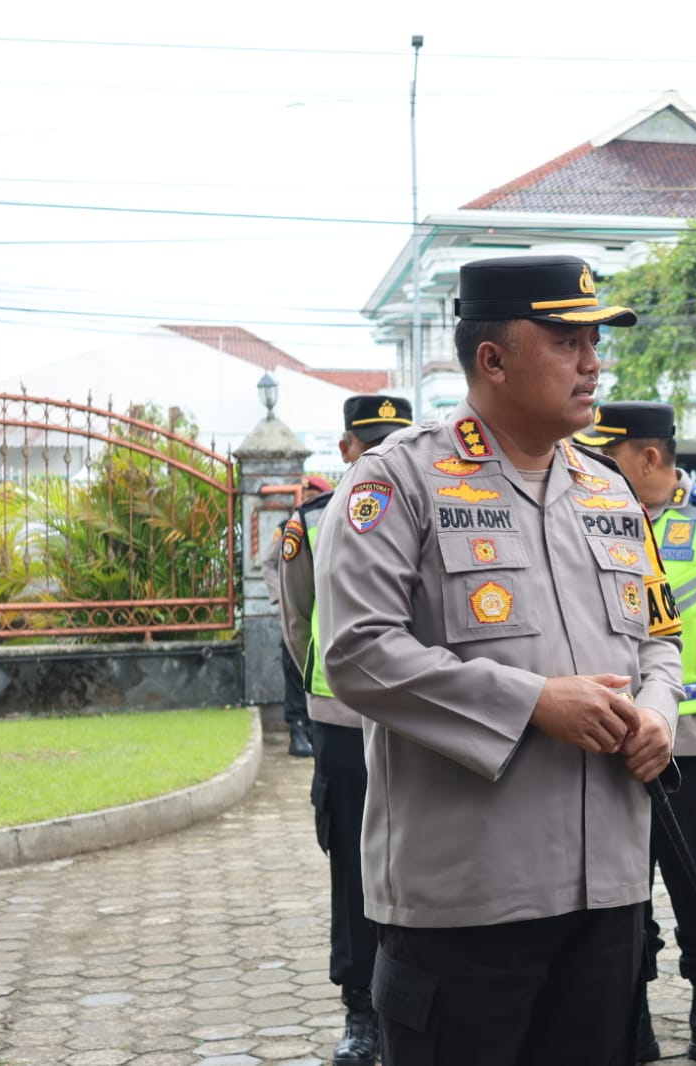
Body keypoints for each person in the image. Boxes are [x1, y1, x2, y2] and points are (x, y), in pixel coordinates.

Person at [314, 255, 683, 1066]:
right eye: (565, 341)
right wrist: (530, 702)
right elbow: (356, 651)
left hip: (611, 889)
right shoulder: (398, 480)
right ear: (492, 358)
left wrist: (658, 710)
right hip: (469, 899)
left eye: (594, 341)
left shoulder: (608, 491)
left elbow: (659, 635)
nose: (593, 363)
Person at [574, 401, 696, 1066]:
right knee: (620, 895)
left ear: (648, 457)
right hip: (607, 746)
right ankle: (631, 1021)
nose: (596, 465)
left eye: (611, 455)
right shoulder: (587, 512)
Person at [279, 394, 412, 1065]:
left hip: (422, 722)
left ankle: (414, 1001)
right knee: (355, 876)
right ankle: (361, 1010)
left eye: (398, 440)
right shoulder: (310, 521)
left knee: (427, 862)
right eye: (372, 443)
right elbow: (297, 619)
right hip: (344, 726)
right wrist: (312, 706)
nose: (384, 453)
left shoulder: (440, 514)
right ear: (345, 452)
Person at [261, 483, 329, 758]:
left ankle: (313, 728)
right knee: (295, 667)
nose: (311, 500)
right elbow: (269, 562)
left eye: (315, 495)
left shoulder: (341, 519)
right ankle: (298, 729)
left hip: (326, 612)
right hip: (299, 611)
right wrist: (281, 599)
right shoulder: (292, 524)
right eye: (307, 496)